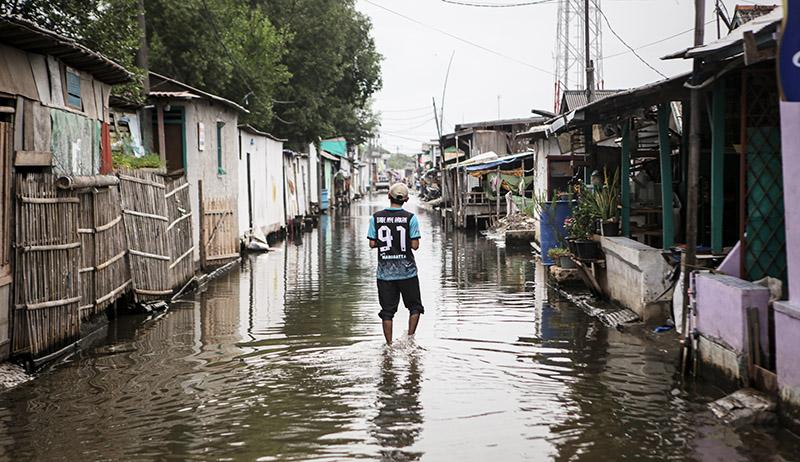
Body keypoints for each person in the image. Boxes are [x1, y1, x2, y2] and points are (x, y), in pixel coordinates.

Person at [367, 183, 424, 344]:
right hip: (408, 273)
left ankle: (389, 345)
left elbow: (372, 244)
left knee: (387, 312)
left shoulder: (376, 218)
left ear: (388, 196)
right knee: (415, 307)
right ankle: (410, 340)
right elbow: (415, 246)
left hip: (385, 274)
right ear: (406, 200)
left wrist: (387, 244)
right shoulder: (411, 218)